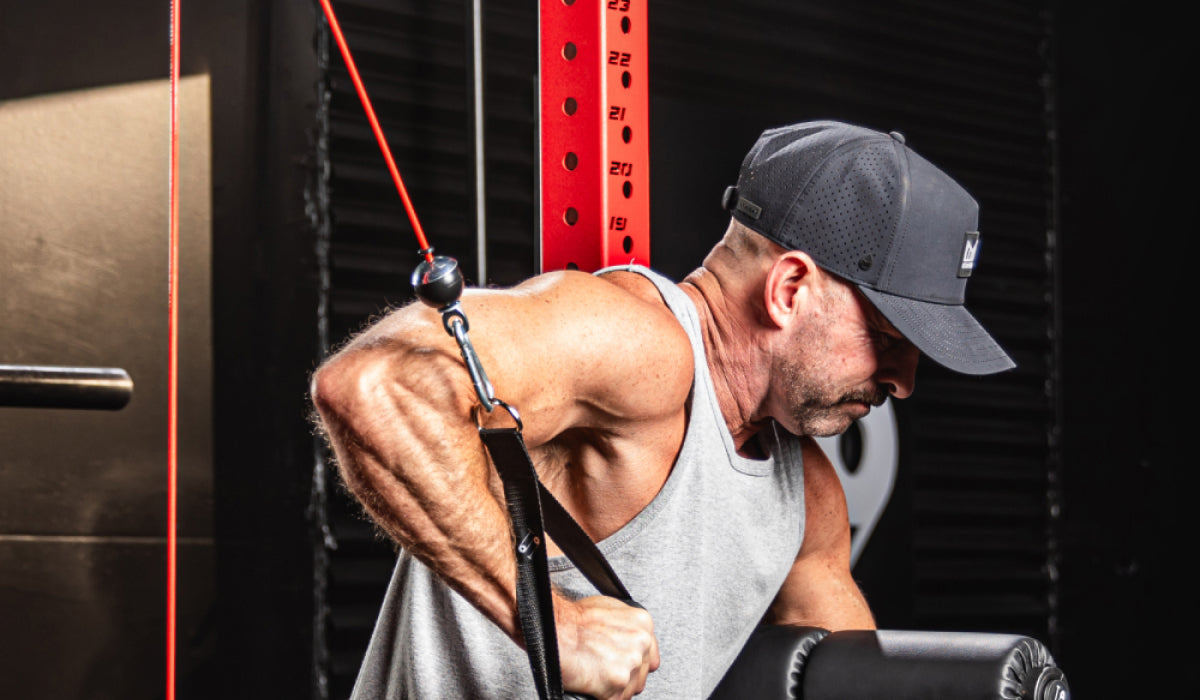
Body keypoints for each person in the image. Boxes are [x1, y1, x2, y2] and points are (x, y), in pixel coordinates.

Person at [310, 120, 1016, 700]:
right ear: (790, 289)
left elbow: (855, 687)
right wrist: (558, 627)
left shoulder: (808, 500)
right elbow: (376, 386)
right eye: (887, 341)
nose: (904, 383)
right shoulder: (643, 347)